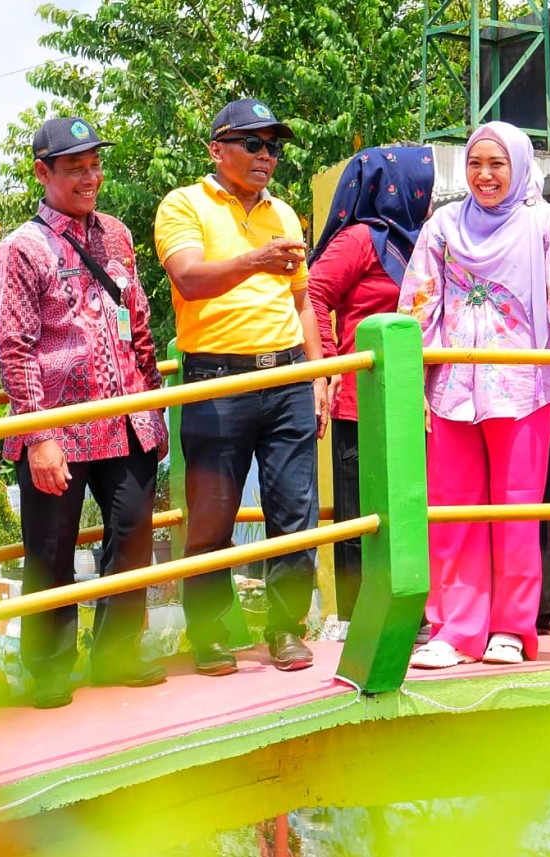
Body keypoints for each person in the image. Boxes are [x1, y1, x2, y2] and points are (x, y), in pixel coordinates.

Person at [401, 121, 550, 670]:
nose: (485, 175)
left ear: (520, 167)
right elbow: (418, 302)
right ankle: (454, 630)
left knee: (516, 513)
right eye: (476, 163)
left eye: (497, 164)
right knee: (454, 514)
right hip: (453, 390)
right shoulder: (442, 227)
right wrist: (414, 379)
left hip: (522, 388)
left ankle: (510, 626)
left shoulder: (543, 223)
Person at [0, 117, 168, 709]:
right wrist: (38, 436)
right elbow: (13, 347)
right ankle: (48, 668)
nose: (90, 176)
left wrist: (151, 408)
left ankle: (118, 653)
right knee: (51, 551)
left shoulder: (117, 235)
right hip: (58, 431)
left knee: (133, 536)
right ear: (44, 173)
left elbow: (138, 320)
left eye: (94, 164)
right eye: (75, 167)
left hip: (125, 420)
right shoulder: (20, 249)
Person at [153, 97, 325, 676]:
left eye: (273, 147)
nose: (266, 156)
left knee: (295, 510)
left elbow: (302, 302)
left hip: (287, 377)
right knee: (211, 513)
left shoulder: (285, 214)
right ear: (216, 149)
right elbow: (188, 279)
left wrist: (317, 372)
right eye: (253, 144)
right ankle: (210, 635)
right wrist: (256, 259)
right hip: (216, 378)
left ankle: (286, 629)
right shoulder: (183, 204)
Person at [308, 145, 437, 628]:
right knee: (360, 510)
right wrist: (328, 363)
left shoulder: (422, 239)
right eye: (420, 184)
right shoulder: (362, 238)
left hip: (414, 399)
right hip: (359, 399)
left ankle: (413, 613)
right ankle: (361, 614)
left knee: (410, 508)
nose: (427, 196)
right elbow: (314, 292)